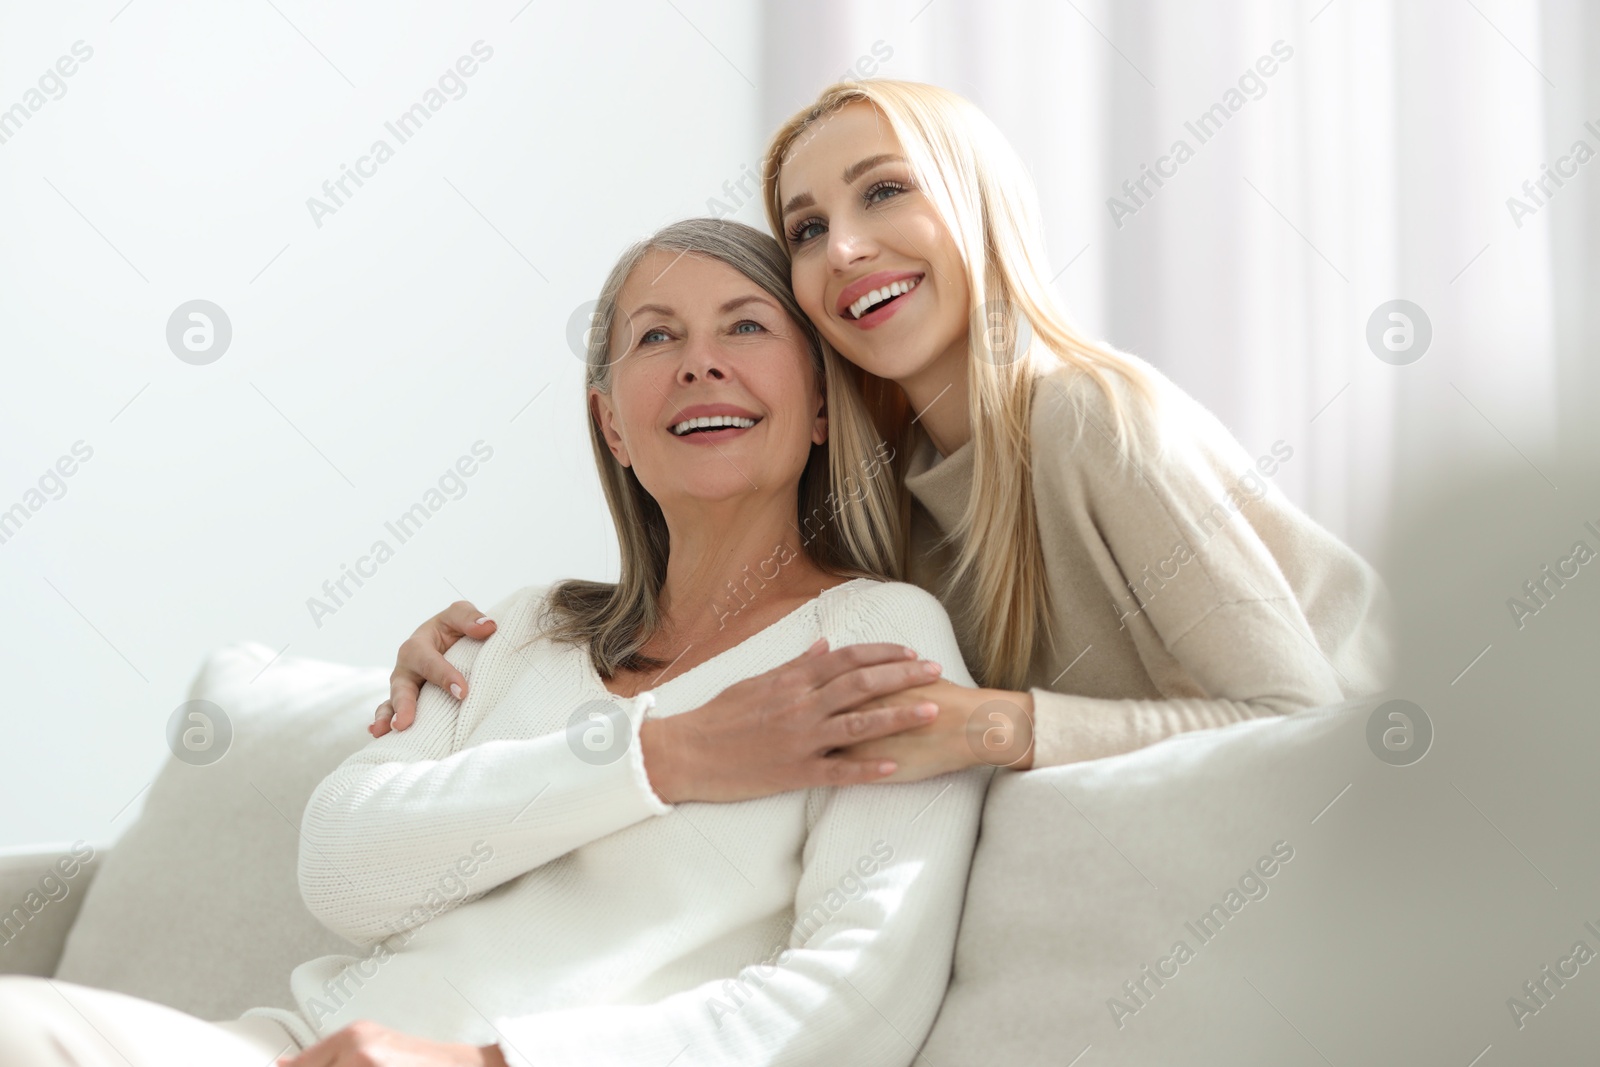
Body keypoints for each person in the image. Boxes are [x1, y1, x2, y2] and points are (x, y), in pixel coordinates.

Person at [0, 218, 992, 1067]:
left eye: (745, 324)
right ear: (610, 422)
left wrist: (481, 1061)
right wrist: (665, 753)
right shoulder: (524, 623)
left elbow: (855, 1003)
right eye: (656, 336)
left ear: (822, 400)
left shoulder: (879, 635)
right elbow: (345, 870)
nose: (699, 359)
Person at [377, 79, 1395, 786]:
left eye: (884, 190)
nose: (846, 246)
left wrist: (998, 726)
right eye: (808, 228)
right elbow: (708, 614)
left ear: (976, 205)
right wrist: (490, 653)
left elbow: (1304, 728)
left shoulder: (1088, 416)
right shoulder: (880, 488)